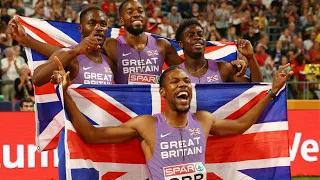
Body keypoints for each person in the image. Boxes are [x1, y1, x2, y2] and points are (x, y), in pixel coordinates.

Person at [53, 56, 293, 179]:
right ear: (163, 92)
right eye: (175, 81)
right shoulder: (147, 124)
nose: (183, 85)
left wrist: (272, 92)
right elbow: (91, 135)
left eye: (186, 81)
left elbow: (241, 125)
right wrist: (65, 94)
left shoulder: (204, 119)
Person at [43, 0, 247, 85]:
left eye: (140, 10)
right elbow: (63, 52)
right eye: (130, 12)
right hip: (121, 109)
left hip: (152, 109)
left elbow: (189, 68)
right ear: (122, 21)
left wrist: (230, 62)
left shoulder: (161, 45)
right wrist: (28, 39)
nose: (136, 14)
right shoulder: (111, 45)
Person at [7, 6, 114, 86]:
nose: (98, 28)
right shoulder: (69, 55)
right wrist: (75, 51)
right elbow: (36, 79)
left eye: (103, 25)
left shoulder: (109, 61)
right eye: (92, 23)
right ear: (80, 28)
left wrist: (26, 40)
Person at [175, 19, 263, 83]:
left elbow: (257, 90)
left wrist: (250, 58)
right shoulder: (174, 75)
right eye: (190, 35)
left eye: (200, 34)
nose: (197, 37)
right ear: (180, 44)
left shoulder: (223, 68)